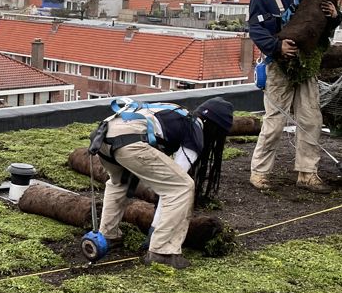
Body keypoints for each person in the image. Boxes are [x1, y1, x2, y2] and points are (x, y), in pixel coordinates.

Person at [89, 96, 234, 270]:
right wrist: (154, 230)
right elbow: (172, 187)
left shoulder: (176, 112)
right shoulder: (195, 129)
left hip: (103, 137)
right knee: (182, 187)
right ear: (216, 128)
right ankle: (163, 252)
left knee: (120, 182)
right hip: (130, 142)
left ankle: (107, 235)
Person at [247, 0, 340, 193]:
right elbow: (256, 30)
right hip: (278, 66)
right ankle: (260, 173)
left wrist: (334, 17)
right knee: (275, 122)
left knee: (311, 119)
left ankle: (307, 173)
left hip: (304, 65)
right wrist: (277, 47)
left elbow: (315, 26)